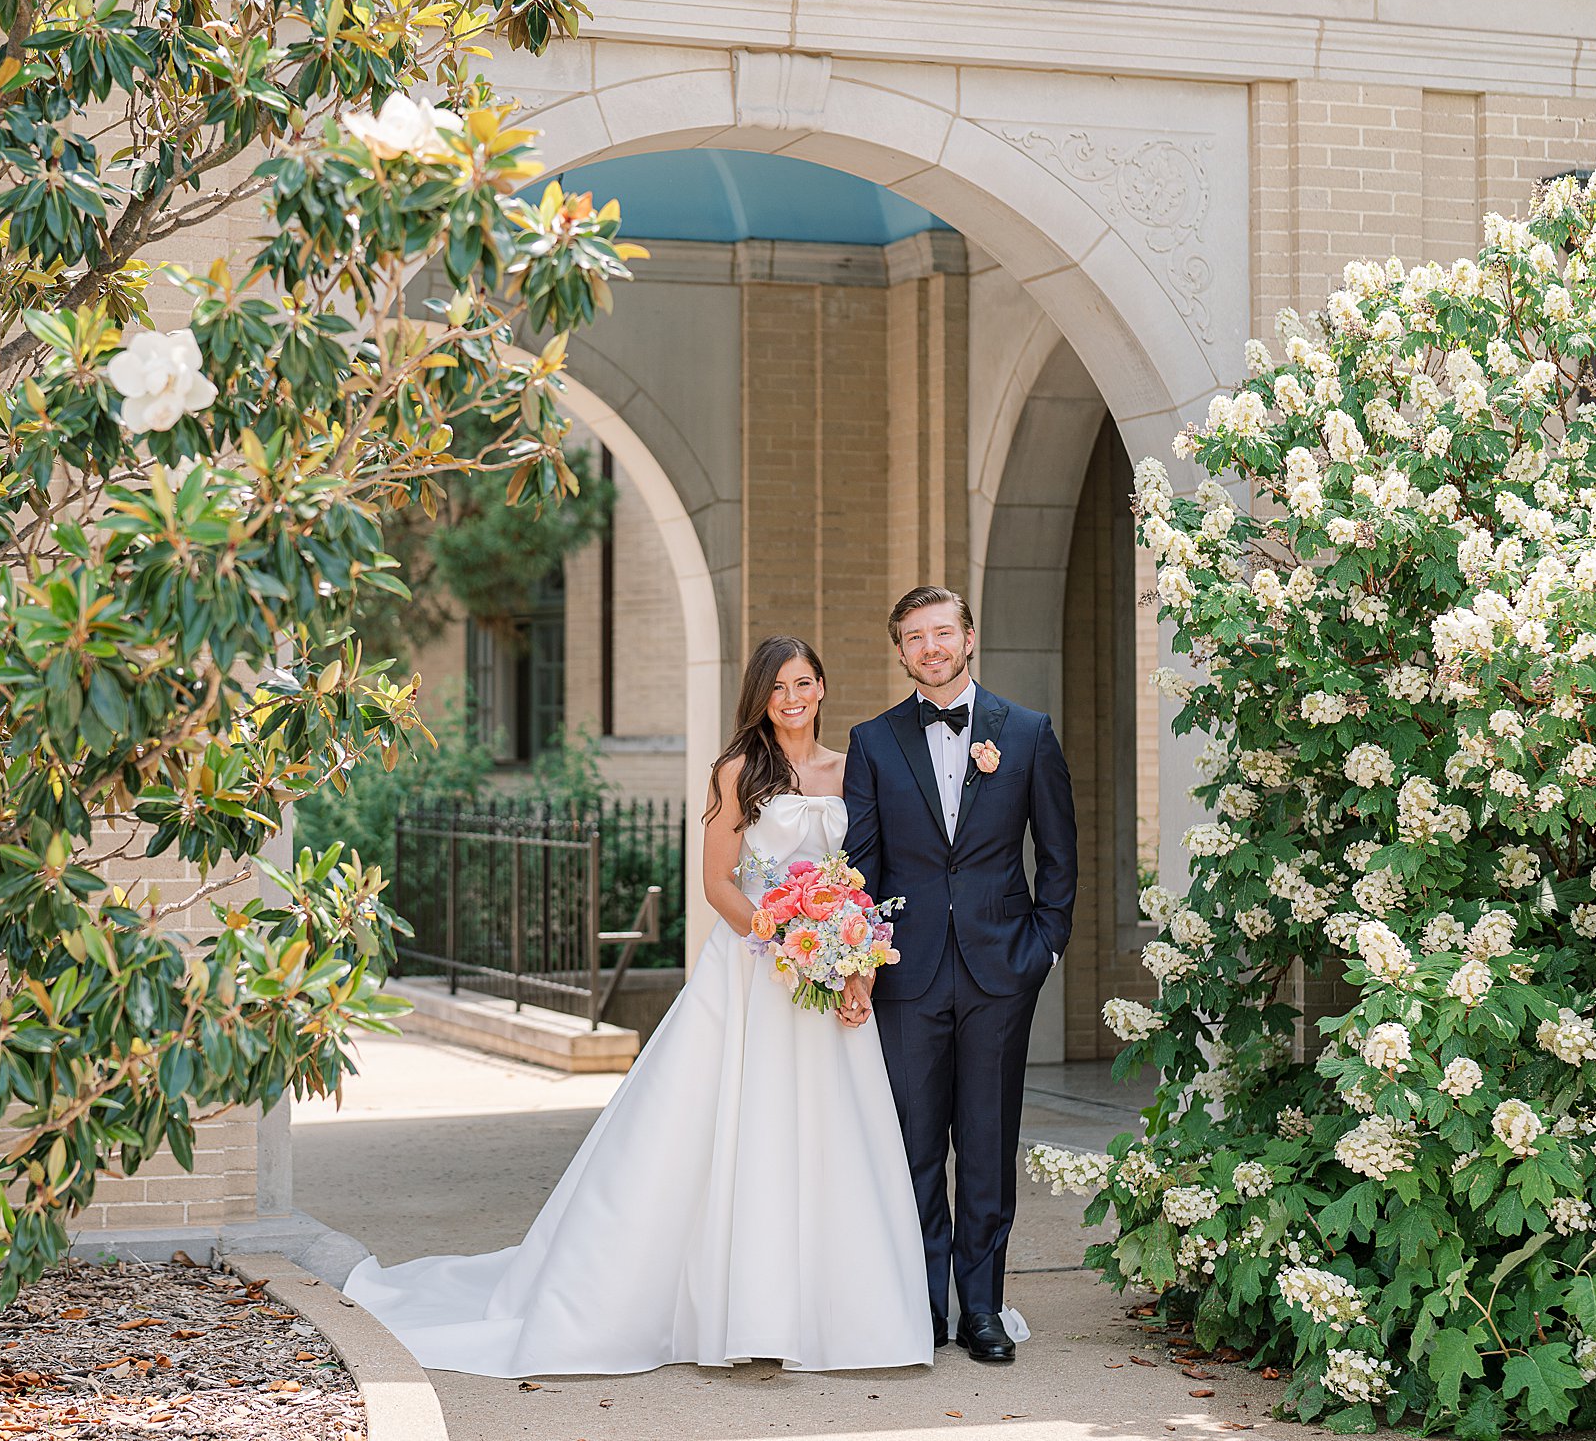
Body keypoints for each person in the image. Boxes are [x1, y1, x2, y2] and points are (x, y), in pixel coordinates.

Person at [341, 635, 934, 1376]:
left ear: (822, 686)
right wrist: (779, 934)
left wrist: (850, 962)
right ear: (759, 694)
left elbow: (858, 880)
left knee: (826, 1132)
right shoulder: (739, 769)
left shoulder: (851, 770)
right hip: (756, 969)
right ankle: (732, 1309)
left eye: (805, 681)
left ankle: (832, 1314)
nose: (793, 697)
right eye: (779, 685)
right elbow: (719, 881)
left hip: (826, 973)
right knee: (731, 1127)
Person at [840, 586, 1077, 1363]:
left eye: (943, 632)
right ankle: (920, 1307)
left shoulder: (1028, 733)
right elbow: (862, 867)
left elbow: (1060, 857)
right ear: (901, 651)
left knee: (985, 1147)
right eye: (915, 636)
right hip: (906, 976)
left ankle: (981, 1311)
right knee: (911, 1147)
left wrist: (1041, 947)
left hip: (999, 971)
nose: (931, 647)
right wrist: (862, 961)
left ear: (969, 638)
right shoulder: (873, 742)